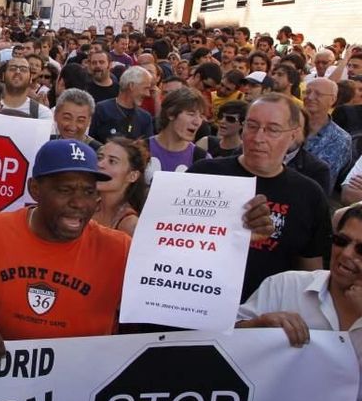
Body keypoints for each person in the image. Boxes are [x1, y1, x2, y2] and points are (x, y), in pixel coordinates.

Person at [0, 139, 131, 358]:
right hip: (2, 377)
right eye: (65, 190)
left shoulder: (120, 249)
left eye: (88, 192)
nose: (79, 203)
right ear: (35, 189)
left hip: (82, 382)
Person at [189, 93, 331, 301]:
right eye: (252, 126)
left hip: (267, 319)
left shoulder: (309, 195)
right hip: (197, 303)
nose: (258, 138)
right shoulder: (204, 173)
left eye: (272, 130)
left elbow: (309, 276)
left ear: (293, 136)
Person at [235, 204, 362, 401]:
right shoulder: (284, 286)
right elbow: (220, 344)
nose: (347, 253)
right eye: (342, 241)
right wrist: (256, 325)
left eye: (361, 249)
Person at [145, 87, 208, 183]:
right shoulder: (138, 150)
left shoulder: (203, 159)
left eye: (201, 116)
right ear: (170, 113)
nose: (197, 122)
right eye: (191, 114)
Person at [94, 137, 149, 237]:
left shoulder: (130, 225)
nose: (100, 164)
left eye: (112, 161)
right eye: (100, 157)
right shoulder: (87, 206)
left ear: (132, 176)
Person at [303, 77, 351, 191]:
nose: (310, 97)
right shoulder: (287, 126)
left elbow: (324, 180)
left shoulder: (340, 139)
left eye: (318, 94)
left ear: (333, 100)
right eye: (308, 92)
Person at [89, 66, 155, 143]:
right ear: (131, 86)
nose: (148, 94)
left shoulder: (145, 118)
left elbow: (147, 150)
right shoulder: (102, 109)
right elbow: (91, 142)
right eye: (145, 88)